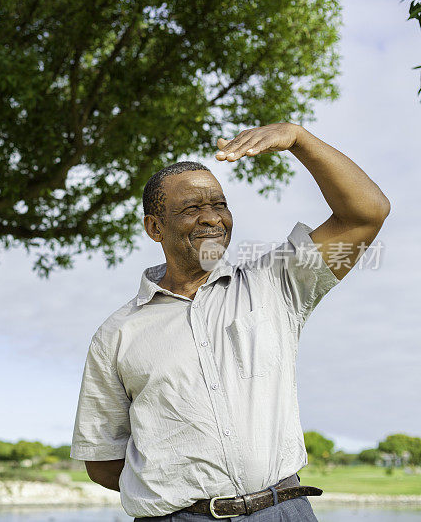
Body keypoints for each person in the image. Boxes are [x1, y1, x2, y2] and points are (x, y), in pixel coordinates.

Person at [69, 122, 390, 520]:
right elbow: (103, 461)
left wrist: (298, 139)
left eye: (219, 205)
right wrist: (179, 496)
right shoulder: (115, 335)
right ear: (155, 227)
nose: (211, 219)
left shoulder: (277, 282)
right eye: (191, 208)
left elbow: (366, 213)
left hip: (283, 511)